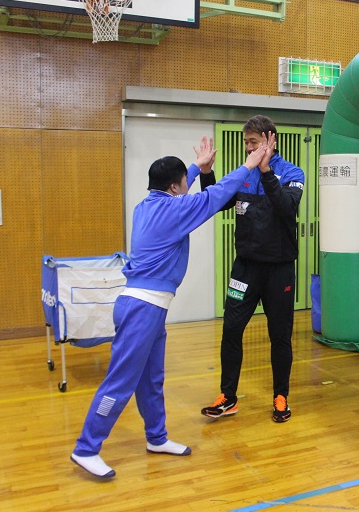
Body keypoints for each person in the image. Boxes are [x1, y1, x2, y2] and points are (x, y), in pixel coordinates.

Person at [70, 136, 268, 479]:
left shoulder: (145, 207)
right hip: (142, 309)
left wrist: (196, 168)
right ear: (175, 187)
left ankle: (157, 437)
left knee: (151, 380)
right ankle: (86, 448)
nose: (186, 186)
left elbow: (181, 189)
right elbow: (217, 194)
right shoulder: (176, 210)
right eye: (184, 182)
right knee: (120, 382)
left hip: (144, 306)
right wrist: (248, 166)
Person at [200, 115, 304, 423]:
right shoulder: (243, 173)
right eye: (246, 142)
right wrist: (206, 174)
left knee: (280, 335)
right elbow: (217, 202)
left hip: (279, 270)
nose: (248, 147)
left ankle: (281, 396)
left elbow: (287, 207)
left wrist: (266, 171)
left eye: (253, 142)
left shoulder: (291, 173)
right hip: (245, 269)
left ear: (270, 140)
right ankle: (228, 397)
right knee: (231, 329)